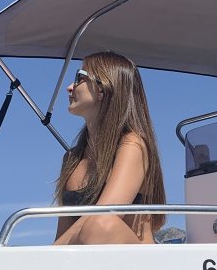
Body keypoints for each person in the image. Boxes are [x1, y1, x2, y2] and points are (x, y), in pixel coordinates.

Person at [53, 51, 165, 245]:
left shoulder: (132, 145)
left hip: (137, 260)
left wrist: (45, 255)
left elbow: (106, 215)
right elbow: (64, 233)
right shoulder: (71, 158)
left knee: (102, 224)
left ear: (103, 88)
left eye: (80, 78)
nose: (70, 87)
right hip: (88, 260)